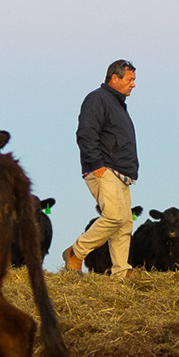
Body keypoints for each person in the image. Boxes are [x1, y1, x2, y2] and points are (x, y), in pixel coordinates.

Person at [63, 60, 138, 278]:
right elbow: (86, 133)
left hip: (122, 172)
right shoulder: (97, 98)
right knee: (114, 217)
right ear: (115, 78)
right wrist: (96, 165)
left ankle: (121, 272)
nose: (133, 84)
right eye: (130, 79)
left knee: (124, 223)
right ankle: (75, 253)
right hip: (105, 169)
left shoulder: (118, 104)